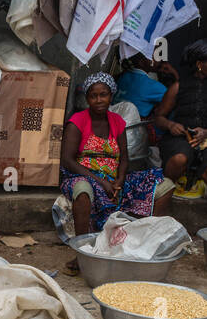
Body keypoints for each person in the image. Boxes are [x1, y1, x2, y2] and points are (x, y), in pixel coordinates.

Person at [59, 71, 174, 235]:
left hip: (113, 180)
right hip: (84, 177)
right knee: (83, 190)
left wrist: (118, 181)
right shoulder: (77, 121)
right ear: (87, 99)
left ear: (111, 96)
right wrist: (101, 182)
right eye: (93, 96)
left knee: (165, 186)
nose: (99, 100)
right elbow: (67, 160)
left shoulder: (117, 121)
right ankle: (82, 246)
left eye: (103, 95)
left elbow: (124, 158)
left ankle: (146, 239)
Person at [154, 37, 207, 219]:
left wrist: (206, 133)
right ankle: (167, 191)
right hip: (181, 137)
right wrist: (170, 124)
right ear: (200, 65)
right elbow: (158, 118)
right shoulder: (179, 87)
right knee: (178, 158)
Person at [114, 53, 177, 119]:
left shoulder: (123, 75)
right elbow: (174, 98)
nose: (158, 58)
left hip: (112, 120)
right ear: (142, 63)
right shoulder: (153, 86)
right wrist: (174, 74)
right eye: (153, 56)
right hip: (131, 125)